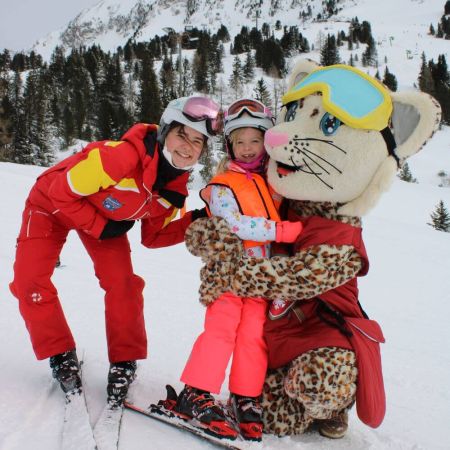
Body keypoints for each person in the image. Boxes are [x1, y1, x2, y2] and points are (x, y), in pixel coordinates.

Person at [9, 96, 221, 408]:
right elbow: (60, 193)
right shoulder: (121, 157)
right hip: (50, 207)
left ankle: (124, 362)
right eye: (181, 135)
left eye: (197, 141)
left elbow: (155, 237)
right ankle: (60, 356)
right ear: (164, 131)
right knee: (30, 282)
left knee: (123, 284)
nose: (187, 147)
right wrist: (100, 227)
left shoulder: (174, 188)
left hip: (102, 221)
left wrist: (200, 218)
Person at [175, 98, 303, 441]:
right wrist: (281, 231)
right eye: (239, 142)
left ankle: (246, 397)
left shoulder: (272, 183)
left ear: (265, 142)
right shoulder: (222, 184)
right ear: (229, 145)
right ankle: (196, 392)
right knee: (222, 329)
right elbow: (233, 225)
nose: (247, 149)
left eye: (254, 141)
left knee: (253, 338)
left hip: (261, 279)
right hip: (229, 273)